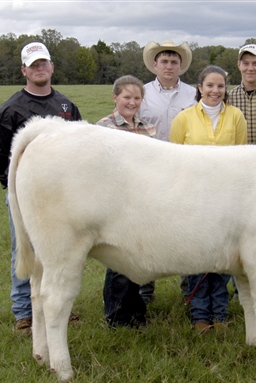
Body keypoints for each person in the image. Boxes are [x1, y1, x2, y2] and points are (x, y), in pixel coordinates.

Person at [0, 42, 82, 335]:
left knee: (61, 250)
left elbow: (80, 147)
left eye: (44, 63)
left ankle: (58, 305)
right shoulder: (11, 109)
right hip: (27, 195)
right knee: (25, 249)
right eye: (34, 65)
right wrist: (15, 187)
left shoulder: (66, 106)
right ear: (24, 70)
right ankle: (24, 312)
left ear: (52, 67)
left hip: (61, 195)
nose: (40, 69)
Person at [169, 65, 247, 334]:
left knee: (224, 258)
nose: (216, 91)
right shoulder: (184, 118)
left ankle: (221, 314)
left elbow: (241, 158)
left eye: (221, 86)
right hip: (193, 200)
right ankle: (200, 315)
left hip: (226, 199)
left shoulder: (236, 117)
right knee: (197, 257)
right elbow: (174, 160)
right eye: (210, 86)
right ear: (200, 88)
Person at [139, 40, 197, 302]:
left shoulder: (194, 94)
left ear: (181, 66)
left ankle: (189, 290)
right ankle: (143, 289)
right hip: (148, 169)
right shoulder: (142, 93)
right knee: (146, 226)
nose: (169, 66)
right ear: (154, 64)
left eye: (174, 62)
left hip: (185, 170)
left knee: (186, 226)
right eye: (164, 61)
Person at [97, 75, 157, 328]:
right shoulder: (103, 128)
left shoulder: (147, 127)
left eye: (136, 98)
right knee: (118, 259)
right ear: (115, 98)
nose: (132, 103)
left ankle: (136, 311)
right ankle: (117, 314)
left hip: (144, 201)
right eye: (126, 97)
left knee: (137, 255)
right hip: (116, 203)